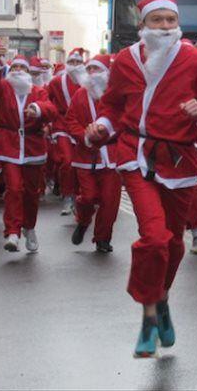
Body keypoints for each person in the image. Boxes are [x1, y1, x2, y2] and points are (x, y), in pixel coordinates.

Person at [84, 0, 197, 357]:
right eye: (157, 20)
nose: (165, 27)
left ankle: (162, 297)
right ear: (143, 24)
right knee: (153, 237)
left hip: (179, 160)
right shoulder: (125, 62)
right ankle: (150, 315)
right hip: (136, 155)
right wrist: (101, 125)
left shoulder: (195, 61)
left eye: (170, 20)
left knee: (174, 243)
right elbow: (113, 105)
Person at [0, 52, 58, 253]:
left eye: (23, 68)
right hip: (9, 146)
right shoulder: (2, 89)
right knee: (14, 188)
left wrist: (38, 108)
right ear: (10, 71)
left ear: (28, 73)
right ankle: (12, 232)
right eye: (15, 68)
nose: (18, 71)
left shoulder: (37, 91)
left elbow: (51, 109)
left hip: (32, 147)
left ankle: (29, 227)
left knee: (31, 193)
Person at [64, 54, 122, 253]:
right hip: (86, 155)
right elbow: (71, 121)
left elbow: (124, 119)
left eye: (96, 69)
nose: (91, 73)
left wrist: (110, 133)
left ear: (106, 73)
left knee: (110, 201)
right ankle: (83, 220)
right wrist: (86, 136)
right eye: (89, 70)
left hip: (111, 156)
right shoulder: (80, 95)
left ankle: (102, 238)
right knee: (87, 197)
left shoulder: (115, 95)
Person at [47, 48, 86, 216]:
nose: (75, 66)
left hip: (82, 124)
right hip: (62, 124)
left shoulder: (88, 82)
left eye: (78, 63)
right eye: (72, 63)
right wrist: (48, 121)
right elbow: (47, 101)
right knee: (67, 161)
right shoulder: (56, 82)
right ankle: (68, 195)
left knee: (80, 163)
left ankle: (80, 196)